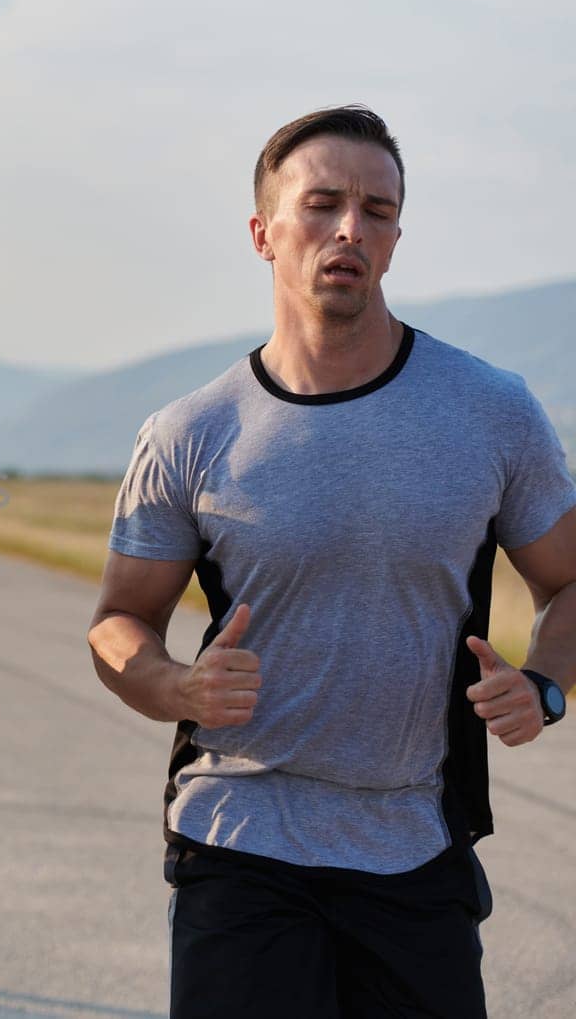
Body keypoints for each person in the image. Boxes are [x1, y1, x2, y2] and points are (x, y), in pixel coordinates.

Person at [87, 106, 576, 1017]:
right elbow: (119, 622)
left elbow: (570, 580)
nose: (351, 228)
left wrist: (544, 683)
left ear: (394, 238)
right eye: (321, 204)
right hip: (236, 836)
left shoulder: (490, 410)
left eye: (377, 210)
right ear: (263, 232)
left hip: (413, 845)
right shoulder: (192, 430)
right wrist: (175, 689)